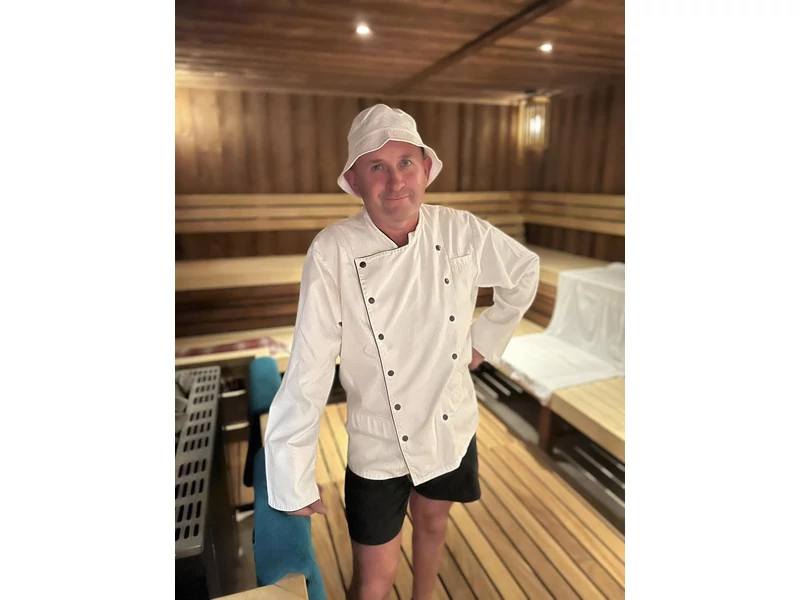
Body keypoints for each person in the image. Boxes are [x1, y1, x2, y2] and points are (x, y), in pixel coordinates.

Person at [263, 104, 540, 600]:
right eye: (377, 166)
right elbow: (309, 365)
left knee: (432, 526)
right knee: (374, 577)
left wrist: (484, 340)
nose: (395, 182)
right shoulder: (333, 250)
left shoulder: (460, 231)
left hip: (449, 421)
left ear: (426, 169)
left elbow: (524, 272)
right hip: (377, 441)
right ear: (354, 180)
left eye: (406, 163)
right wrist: (291, 473)